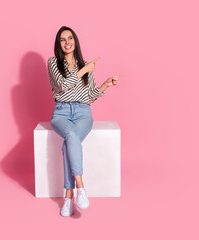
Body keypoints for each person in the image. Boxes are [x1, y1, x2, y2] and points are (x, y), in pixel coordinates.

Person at [47, 26, 122, 217]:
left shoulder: (86, 65)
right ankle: (81, 187)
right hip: (61, 113)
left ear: (75, 41)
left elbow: (88, 97)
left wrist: (105, 84)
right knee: (70, 135)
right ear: (58, 44)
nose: (67, 42)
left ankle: (68, 198)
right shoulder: (53, 63)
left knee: (68, 144)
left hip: (83, 113)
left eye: (70, 38)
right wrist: (83, 70)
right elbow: (63, 86)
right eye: (62, 40)